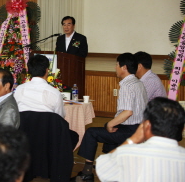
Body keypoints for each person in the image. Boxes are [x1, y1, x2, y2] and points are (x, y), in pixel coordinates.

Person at [73, 53, 147, 182]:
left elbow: (128, 112)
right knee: (108, 129)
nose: (115, 68)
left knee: (92, 132)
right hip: (139, 128)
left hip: (129, 130)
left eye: (117, 65)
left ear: (124, 67)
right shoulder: (138, 82)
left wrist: (110, 124)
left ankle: (87, 173)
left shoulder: (127, 85)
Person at [96, 97, 185, 182]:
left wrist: (132, 139)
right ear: (182, 129)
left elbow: (102, 166)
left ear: (146, 125)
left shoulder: (129, 154)